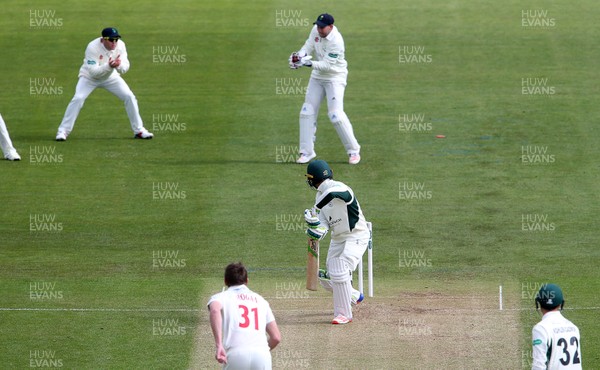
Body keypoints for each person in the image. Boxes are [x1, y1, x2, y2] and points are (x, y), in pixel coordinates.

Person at [55, 27, 153, 141]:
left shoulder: (120, 45)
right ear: (103, 39)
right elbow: (94, 72)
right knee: (78, 98)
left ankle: (139, 131)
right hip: (89, 78)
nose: (114, 43)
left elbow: (125, 67)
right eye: (111, 40)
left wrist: (118, 66)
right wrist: (109, 66)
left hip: (111, 77)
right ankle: (63, 131)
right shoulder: (92, 47)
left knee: (129, 96)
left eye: (116, 39)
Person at [289, 13, 361, 165]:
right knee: (306, 111)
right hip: (317, 76)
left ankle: (353, 151)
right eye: (318, 26)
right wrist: (298, 56)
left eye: (322, 27)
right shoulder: (316, 30)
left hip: (334, 77)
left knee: (335, 115)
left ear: (331, 27)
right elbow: (308, 45)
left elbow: (327, 65)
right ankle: (306, 152)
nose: (319, 29)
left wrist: (306, 63)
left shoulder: (337, 41)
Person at [304, 160, 369, 324]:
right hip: (338, 238)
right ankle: (354, 295)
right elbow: (323, 224)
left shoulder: (341, 188)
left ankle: (344, 314)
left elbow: (332, 194)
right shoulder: (319, 196)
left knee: (340, 268)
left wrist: (315, 208)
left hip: (356, 236)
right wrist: (315, 228)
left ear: (313, 179)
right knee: (326, 277)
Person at [207, 262, 281, 369]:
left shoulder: (220, 297)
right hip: (262, 355)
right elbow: (276, 337)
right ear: (247, 281)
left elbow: (214, 311)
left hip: (236, 354)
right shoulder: (261, 300)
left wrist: (219, 345)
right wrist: (259, 351)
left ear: (225, 281)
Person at [532, 283, 582, 370]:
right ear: (560, 304)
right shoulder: (573, 327)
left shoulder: (540, 329)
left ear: (539, 304)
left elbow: (538, 366)